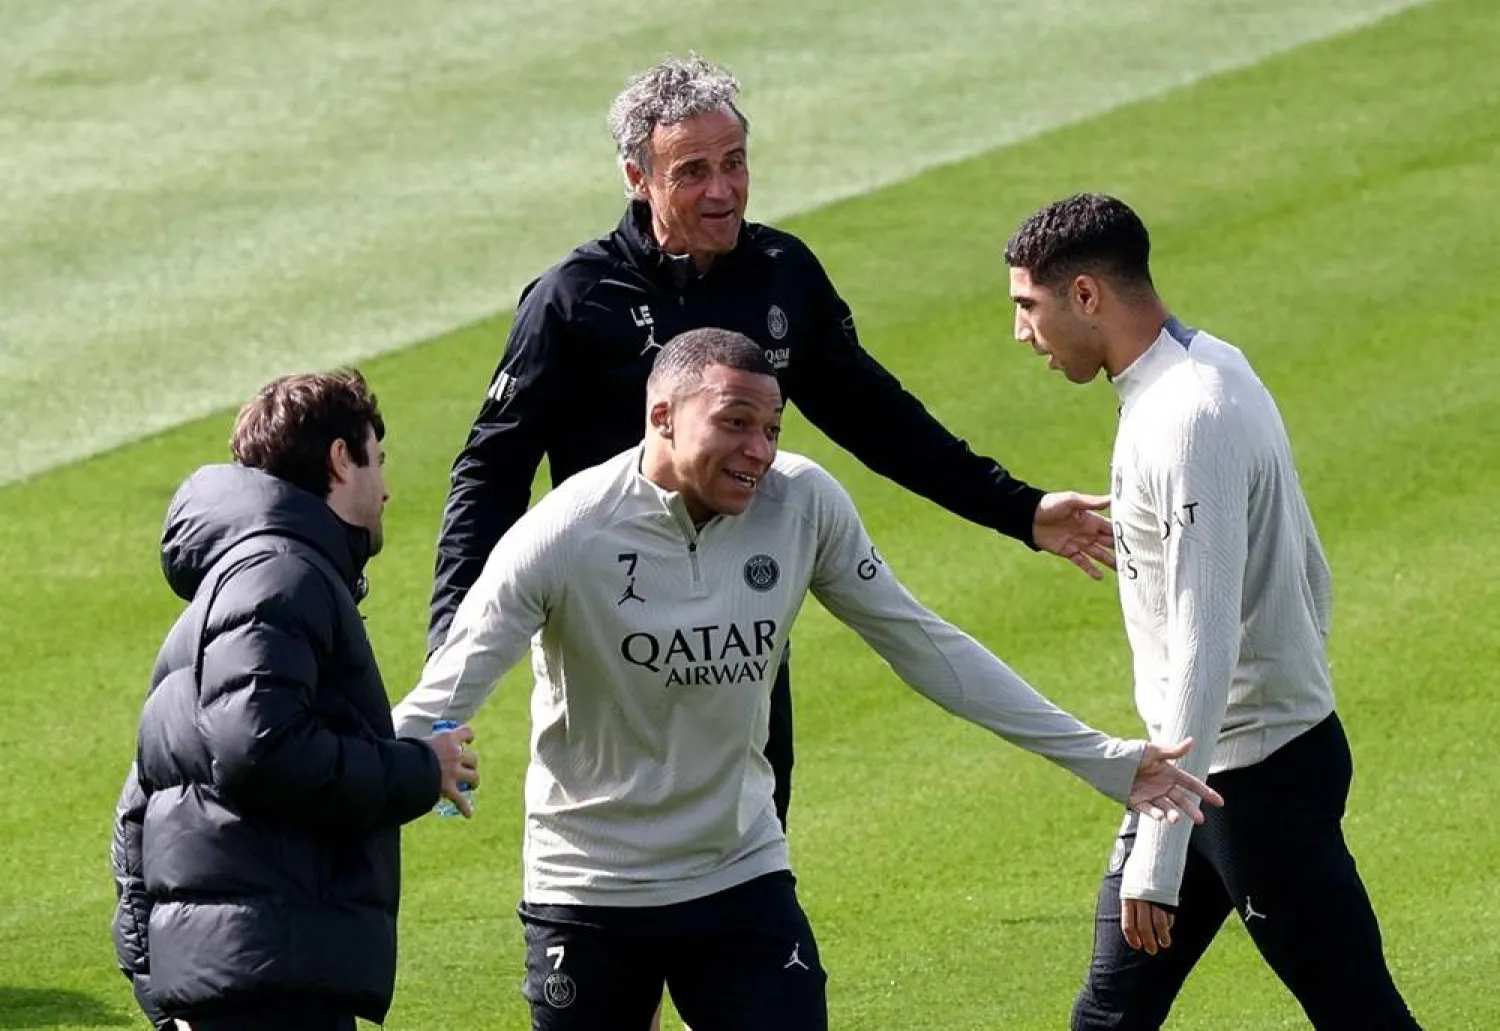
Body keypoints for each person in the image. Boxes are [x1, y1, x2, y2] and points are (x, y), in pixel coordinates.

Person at [392, 327, 1223, 1031]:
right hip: (589, 887)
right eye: (735, 423)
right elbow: (443, 693)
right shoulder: (566, 533)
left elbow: (926, 645)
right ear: (660, 416)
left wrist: (1106, 759)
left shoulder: (802, 504)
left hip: (737, 875)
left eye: (773, 428)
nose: (759, 451)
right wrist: (366, 778)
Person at [427, 53, 1117, 839]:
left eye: (734, 164)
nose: (721, 190)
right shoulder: (574, 300)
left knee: (750, 828)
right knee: (610, 832)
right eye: (692, 171)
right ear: (635, 176)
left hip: (740, 620)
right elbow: (493, 469)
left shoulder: (782, 274)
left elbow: (876, 415)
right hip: (609, 628)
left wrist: (1019, 510)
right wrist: (451, 661)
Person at [1003, 194, 1421, 1030]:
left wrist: (1157, 850)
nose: (1022, 333)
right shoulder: (1209, 367)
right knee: (1111, 1014)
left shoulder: (1187, 415)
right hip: (1218, 768)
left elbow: (1204, 636)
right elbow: (1308, 564)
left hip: (1246, 782)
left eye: (1028, 306)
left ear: (1086, 295)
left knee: (1359, 1013)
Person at [110, 370, 481, 1031]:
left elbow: (138, 803)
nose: (390, 488)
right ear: (341, 458)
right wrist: (419, 769)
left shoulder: (242, 575)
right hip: (269, 982)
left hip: (245, 973)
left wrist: (166, 983)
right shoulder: (279, 573)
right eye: (380, 459)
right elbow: (260, 746)